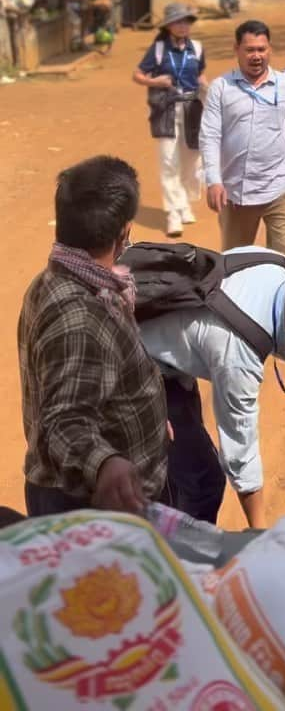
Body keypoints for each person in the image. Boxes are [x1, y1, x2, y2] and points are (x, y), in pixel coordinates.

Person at [142, 246, 285, 527]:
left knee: (182, 462)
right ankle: (183, 560)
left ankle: (167, 515)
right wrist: (260, 531)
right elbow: (240, 450)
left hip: (161, 335)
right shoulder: (239, 359)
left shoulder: (273, 262)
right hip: (140, 365)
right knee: (203, 482)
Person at [19, 156, 168, 516]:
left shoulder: (66, 279)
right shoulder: (81, 318)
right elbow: (63, 421)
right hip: (95, 508)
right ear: (125, 233)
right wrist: (105, 464)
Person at [200, 19, 285, 261]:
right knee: (234, 264)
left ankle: (283, 300)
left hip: (280, 186)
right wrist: (213, 180)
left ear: (269, 49)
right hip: (237, 192)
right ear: (237, 50)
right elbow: (210, 135)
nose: (256, 56)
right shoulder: (220, 88)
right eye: (250, 50)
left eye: (261, 49)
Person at [133, 2, 207, 237]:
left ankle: (184, 202)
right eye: (178, 21)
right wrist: (155, 82)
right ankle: (173, 213)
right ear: (168, 26)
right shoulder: (157, 49)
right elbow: (138, 75)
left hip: (192, 109)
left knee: (193, 162)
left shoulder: (196, 47)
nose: (183, 25)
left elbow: (200, 74)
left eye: (186, 21)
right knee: (168, 162)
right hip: (166, 109)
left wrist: (211, 90)